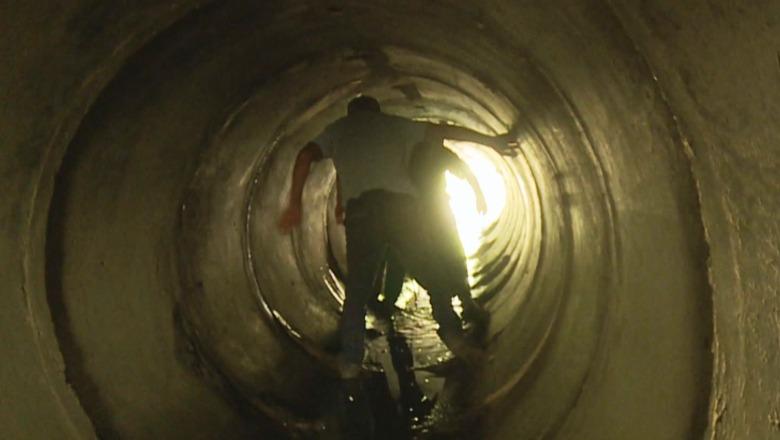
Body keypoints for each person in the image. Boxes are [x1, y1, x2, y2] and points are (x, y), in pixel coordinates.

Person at [279, 96, 514, 379]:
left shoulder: (339, 130)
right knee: (434, 275)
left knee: (357, 291)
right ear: (377, 111)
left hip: (362, 213)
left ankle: (350, 361)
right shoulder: (395, 124)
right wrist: (492, 141)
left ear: (350, 114)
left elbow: (306, 156)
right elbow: (444, 130)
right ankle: (453, 336)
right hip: (402, 210)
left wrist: (295, 204)